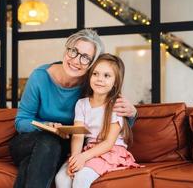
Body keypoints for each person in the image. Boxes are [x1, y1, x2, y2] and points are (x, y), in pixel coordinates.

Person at [9, 29, 137, 188]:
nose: (76, 60)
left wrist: (132, 113)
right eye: (74, 51)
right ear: (66, 49)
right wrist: (46, 126)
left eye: (85, 58)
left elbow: (110, 121)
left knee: (33, 162)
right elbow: (21, 121)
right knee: (48, 141)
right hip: (29, 141)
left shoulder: (93, 85)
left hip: (61, 147)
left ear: (92, 63)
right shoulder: (40, 76)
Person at [55, 54, 141, 188]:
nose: (100, 79)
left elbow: (108, 143)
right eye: (95, 74)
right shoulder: (81, 104)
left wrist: (83, 157)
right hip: (88, 150)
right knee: (61, 178)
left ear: (116, 82)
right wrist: (75, 158)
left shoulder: (116, 105)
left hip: (110, 151)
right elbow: (78, 134)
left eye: (107, 76)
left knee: (81, 177)